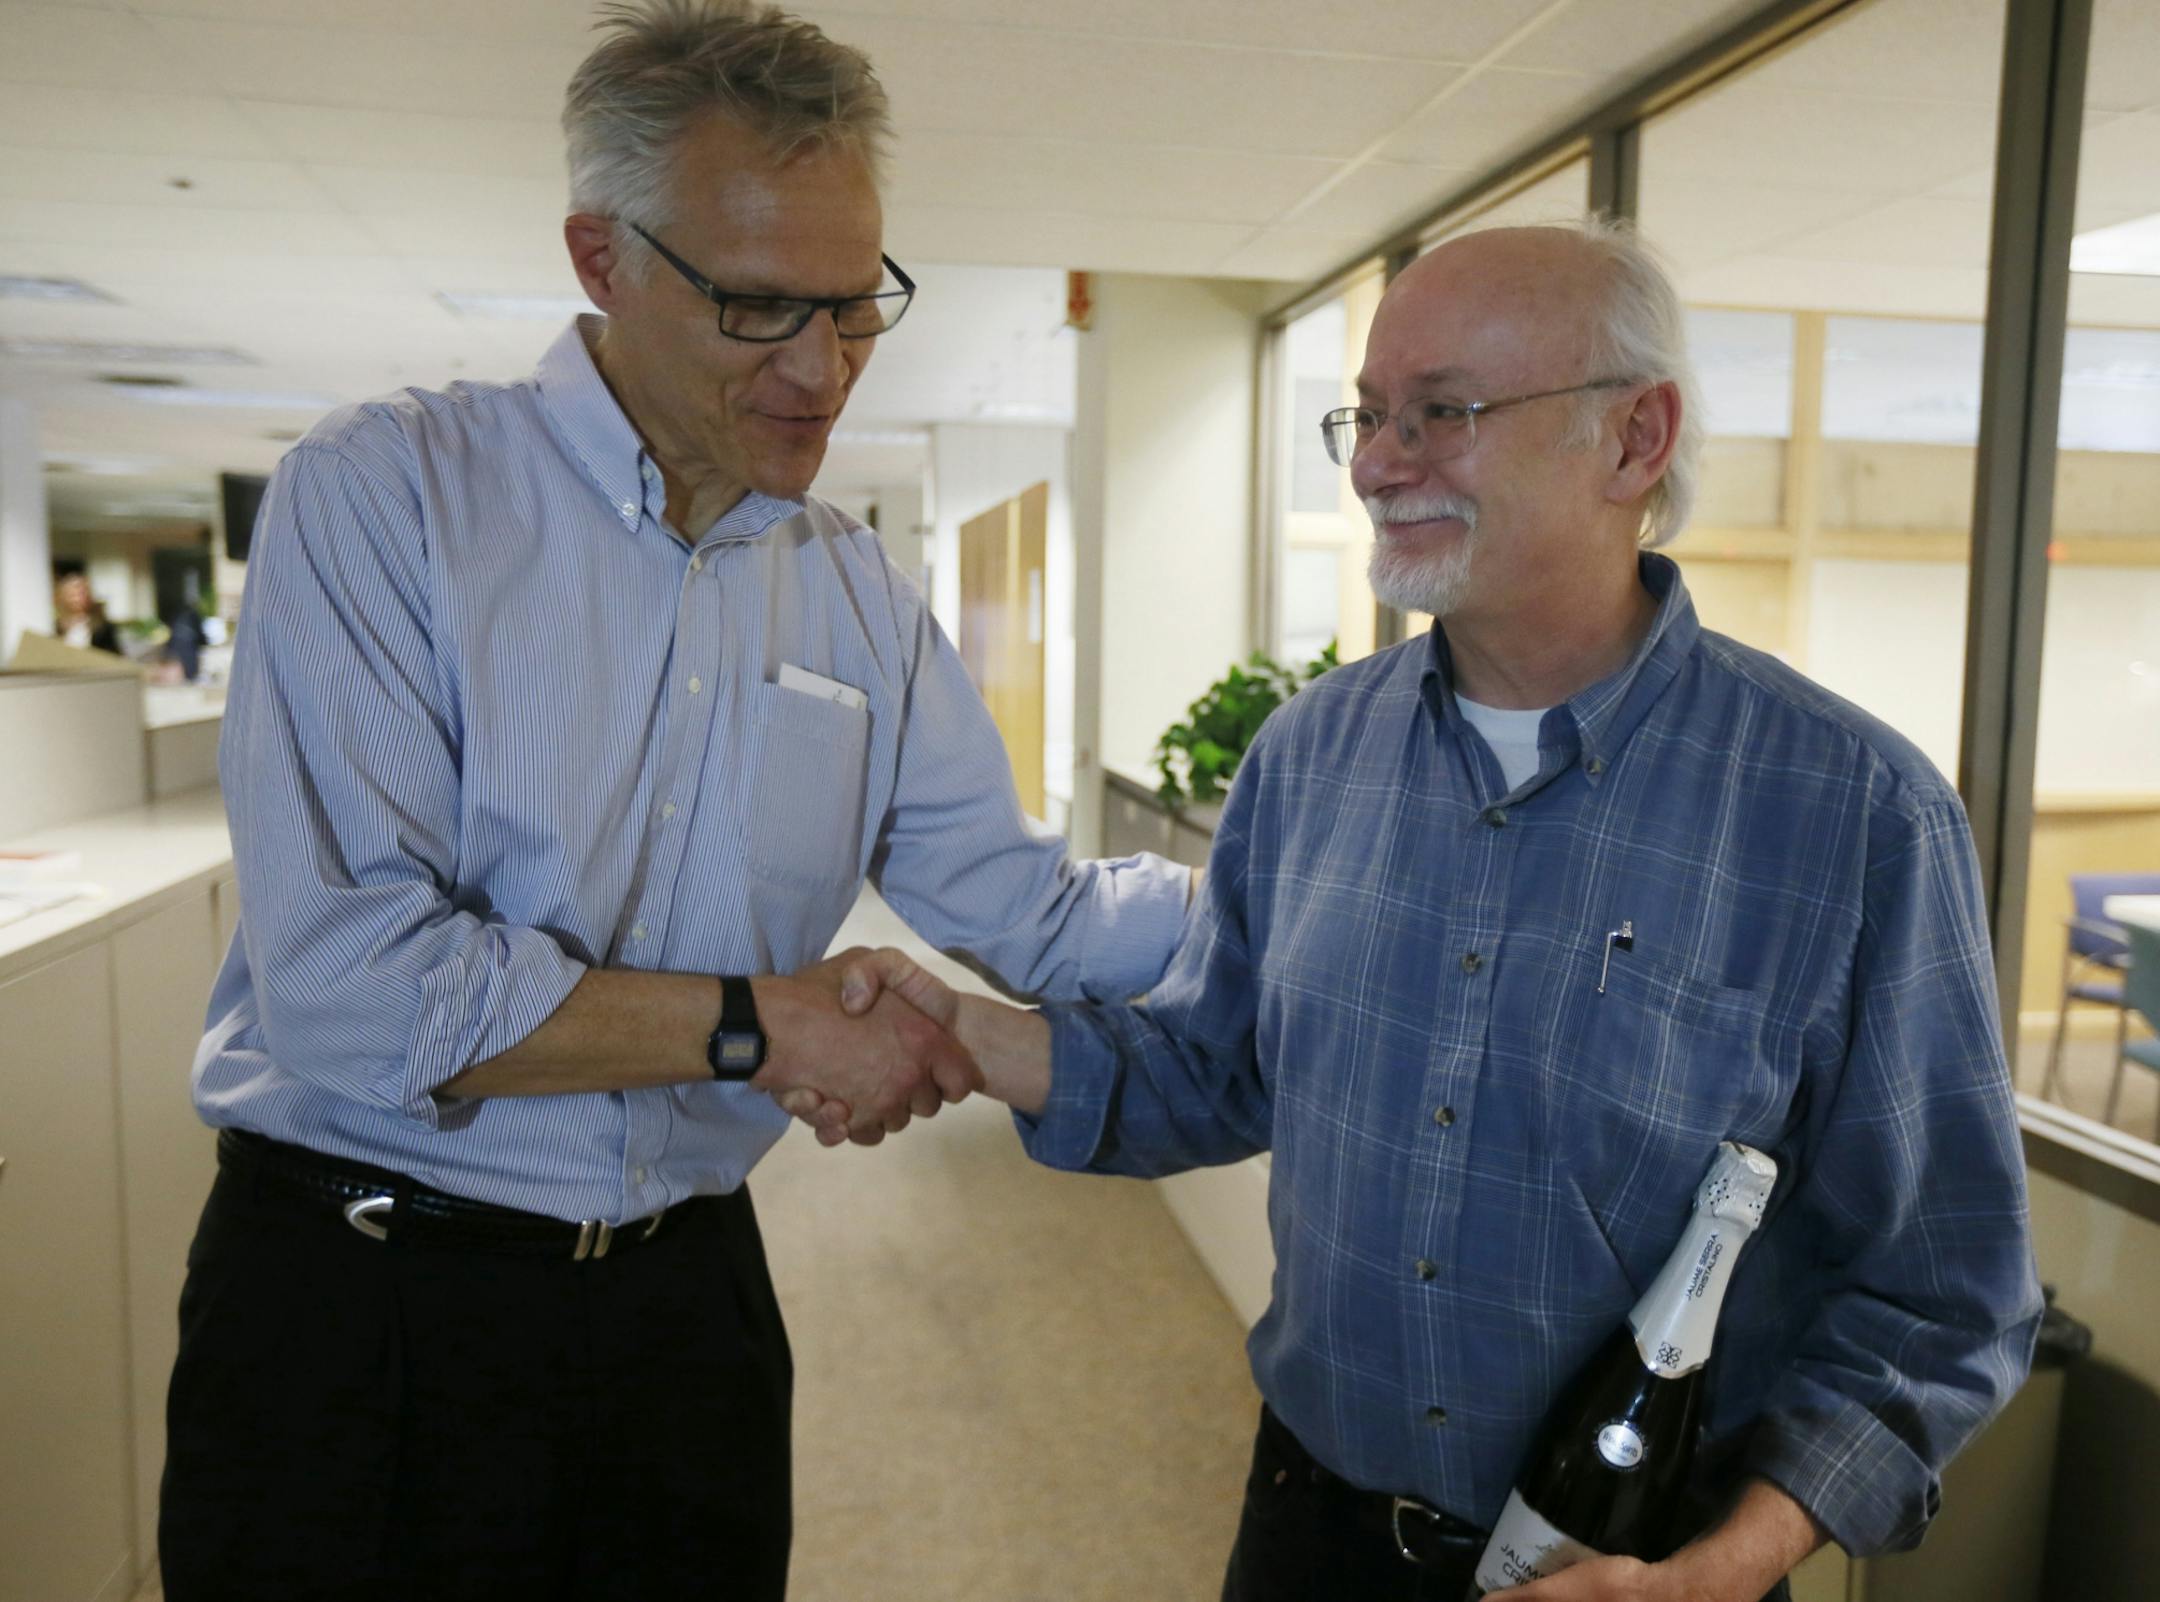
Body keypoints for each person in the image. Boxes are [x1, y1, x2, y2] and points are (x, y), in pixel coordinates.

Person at [826, 219, 2043, 1602]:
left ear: (1636, 440)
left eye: (1442, 413)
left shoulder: (1853, 816)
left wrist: (1716, 1572)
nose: (1375, 461)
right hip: (1309, 1536)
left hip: (1637, 1568)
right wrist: (970, 1036)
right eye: (1368, 413)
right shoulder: (1309, 755)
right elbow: (1220, 1066)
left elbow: (1945, 1296)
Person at [158, 4, 1191, 1599]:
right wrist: (762, 1023)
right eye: (761, 307)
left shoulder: (853, 592)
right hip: (369, 1305)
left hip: (683, 1312)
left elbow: (1032, 911)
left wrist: (1321, 888)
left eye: (858, 308)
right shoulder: (391, 497)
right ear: (600, 256)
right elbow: (352, 993)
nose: (822, 367)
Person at [52, 569, 120, 654]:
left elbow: (113, 655)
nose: (78, 599)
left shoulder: (103, 627)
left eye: (82, 593)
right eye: (73, 595)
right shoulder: (58, 627)